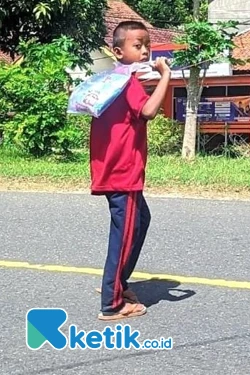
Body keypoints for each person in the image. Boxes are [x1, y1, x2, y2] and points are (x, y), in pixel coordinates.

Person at [90, 20, 171, 321]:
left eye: (146, 45)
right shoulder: (128, 83)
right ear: (117, 50)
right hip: (123, 172)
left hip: (113, 169)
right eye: (138, 45)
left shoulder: (113, 80)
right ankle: (112, 302)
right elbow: (148, 111)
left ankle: (117, 283)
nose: (145, 50)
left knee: (140, 221)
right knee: (123, 234)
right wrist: (166, 76)